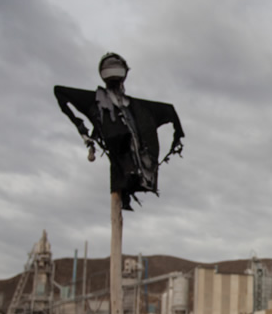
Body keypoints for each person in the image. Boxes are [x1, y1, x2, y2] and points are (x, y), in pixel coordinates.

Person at [54, 52, 184, 211]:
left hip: (134, 162)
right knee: (120, 176)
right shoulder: (98, 102)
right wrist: (85, 134)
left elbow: (168, 110)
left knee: (127, 171)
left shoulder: (137, 108)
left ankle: (134, 179)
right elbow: (60, 91)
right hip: (120, 163)